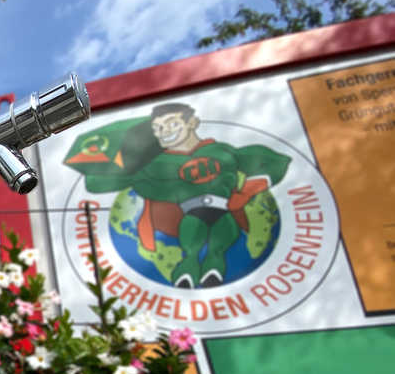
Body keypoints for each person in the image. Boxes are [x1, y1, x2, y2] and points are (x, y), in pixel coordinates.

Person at [64, 103, 290, 288]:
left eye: (172, 124)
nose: (166, 132)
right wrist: (117, 156)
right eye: (158, 128)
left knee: (218, 247)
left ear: (192, 123)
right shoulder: (155, 165)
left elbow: (269, 161)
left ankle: (213, 269)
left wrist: (247, 190)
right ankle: (186, 273)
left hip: (225, 211)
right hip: (192, 214)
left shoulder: (221, 152)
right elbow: (97, 184)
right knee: (191, 249)